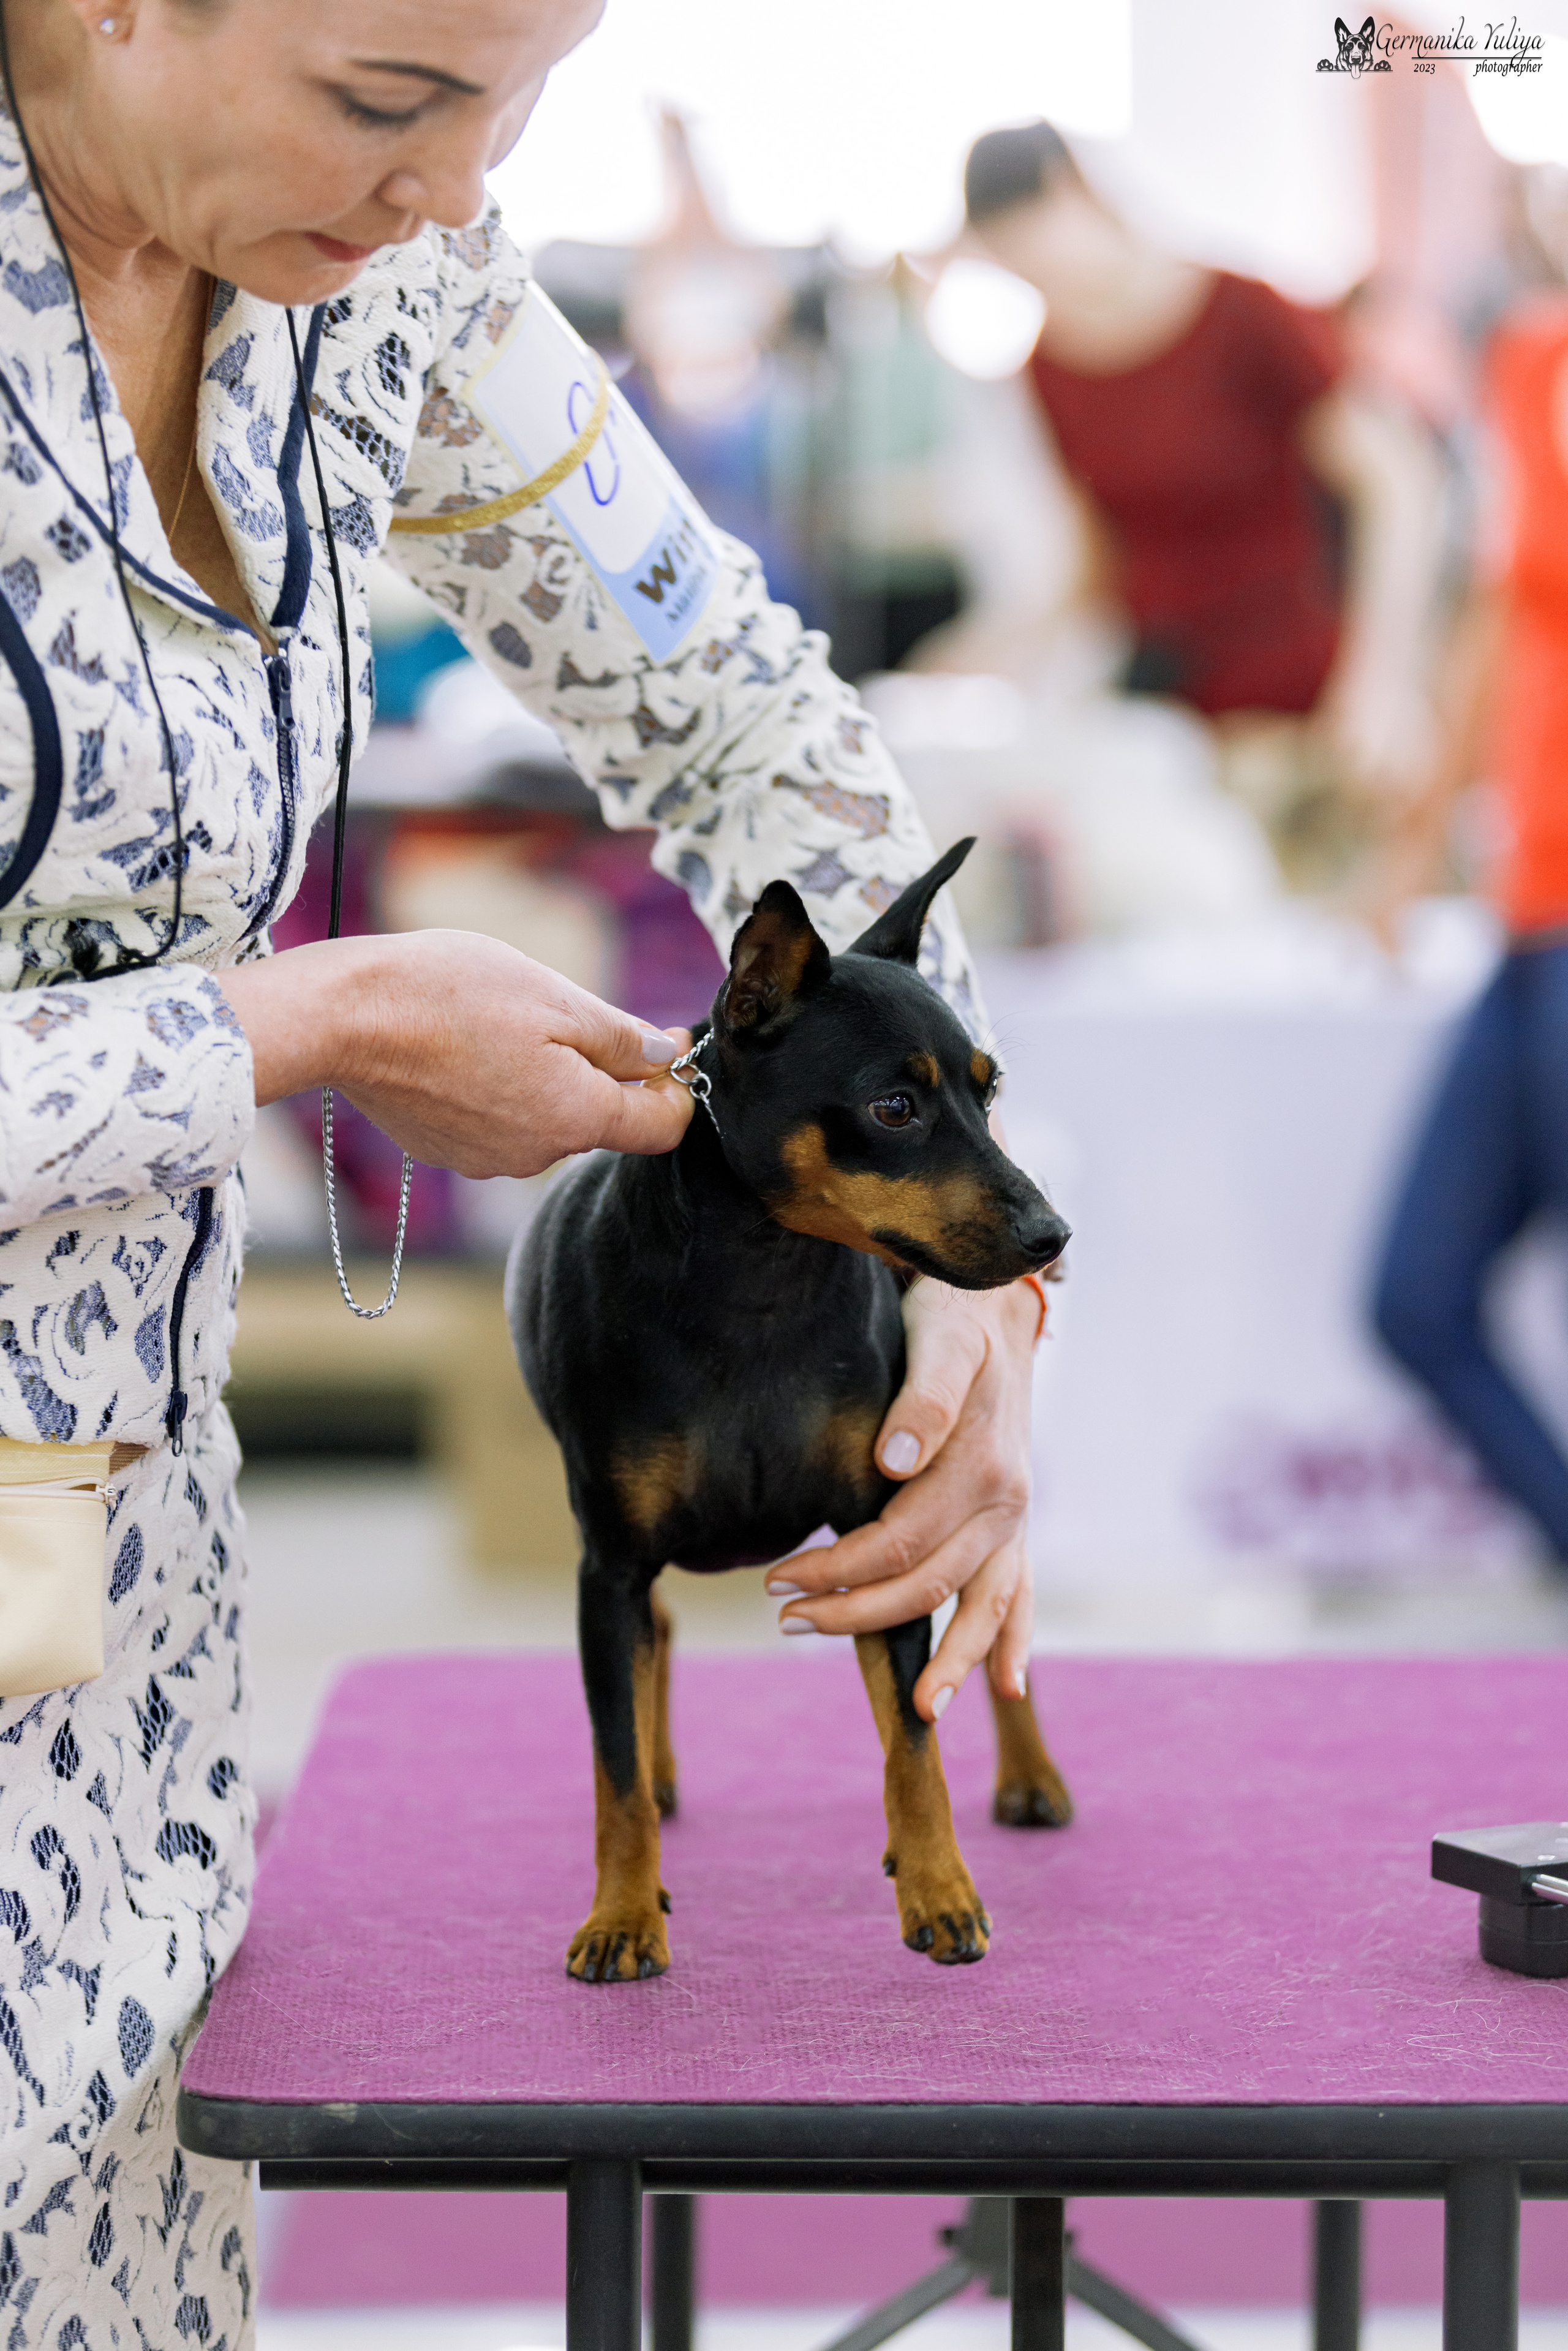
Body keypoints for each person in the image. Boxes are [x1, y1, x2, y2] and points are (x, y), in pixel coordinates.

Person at [0, 0, 1043, 2336]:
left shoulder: (402, 294)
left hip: (115, 1627)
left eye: (528, 96)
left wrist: (973, 1277)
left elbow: (751, 721)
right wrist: (303, 1023)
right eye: (387, 98)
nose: (461, 190)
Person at [949, 121, 1442, 861]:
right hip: (1173, 725)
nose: (1038, 281)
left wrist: (1383, 679)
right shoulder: (1047, 369)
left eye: (1035, 249)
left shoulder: (1242, 313)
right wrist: (979, 653)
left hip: (1307, 717)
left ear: (1075, 193)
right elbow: (1095, 565)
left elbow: (1399, 482)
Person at [1368, 240, 1568, 1566]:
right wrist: (1412, 842)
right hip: (1525, 913)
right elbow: (1495, 615)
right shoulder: (1527, 358)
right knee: (1413, 1294)